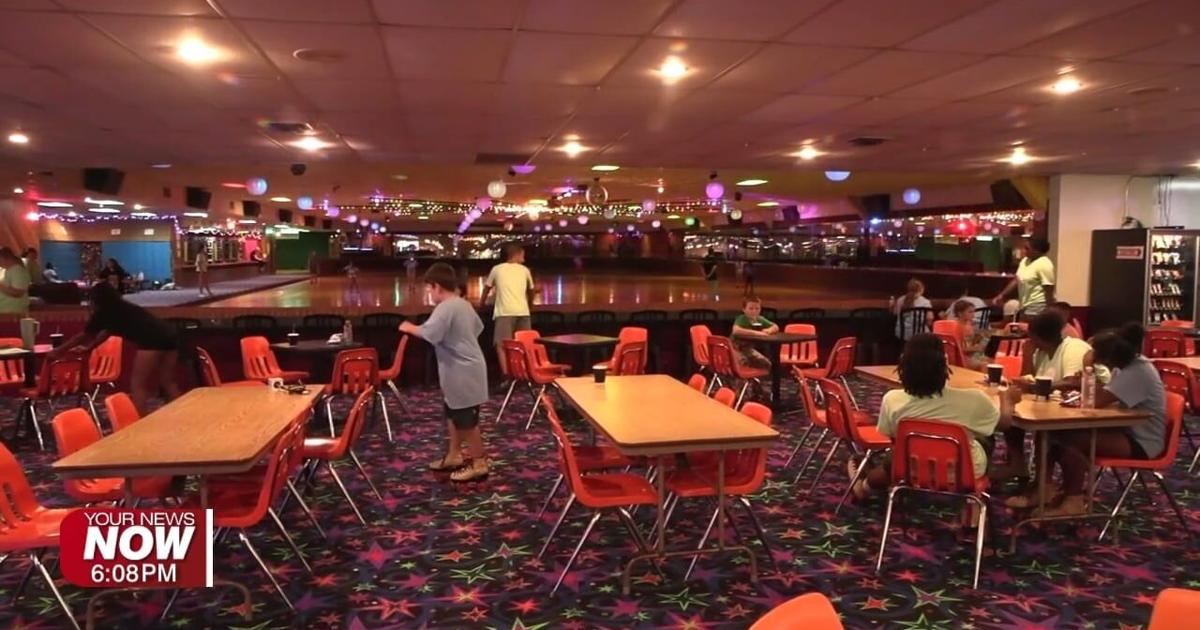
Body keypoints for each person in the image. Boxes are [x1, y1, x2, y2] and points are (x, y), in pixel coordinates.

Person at [1006, 325, 1166, 516]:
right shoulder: (1126, 366)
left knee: (1073, 440)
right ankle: (1043, 488)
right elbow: (1101, 395)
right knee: (1047, 433)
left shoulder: (1139, 372)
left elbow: (1096, 400)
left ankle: (1073, 500)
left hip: (1143, 441)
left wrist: (1087, 368)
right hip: (1123, 429)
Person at [850, 334, 1011, 513]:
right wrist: (1006, 397)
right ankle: (971, 510)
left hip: (910, 470)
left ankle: (864, 486)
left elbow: (892, 438)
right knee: (985, 438)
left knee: (895, 456)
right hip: (963, 474)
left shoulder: (892, 399)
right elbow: (1004, 423)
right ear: (945, 364)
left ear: (903, 365)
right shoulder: (974, 399)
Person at [399, 263, 490, 482]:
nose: (429, 293)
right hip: (465, 368)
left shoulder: (446, 307)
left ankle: (479, 463)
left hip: (462, 371)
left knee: (466, 420)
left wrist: (408, 327)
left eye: (430, 288)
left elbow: (431, 334)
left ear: (438, 287)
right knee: (453, 414)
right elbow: (478, 328)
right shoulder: (462, 304)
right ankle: (454, 455)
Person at [993, 310, 1106, 480]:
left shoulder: (1074, 348)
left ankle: (1043, 485)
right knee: (1012, 417)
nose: (1029, 340)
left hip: (1089, 410)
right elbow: (1026, 378)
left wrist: (1036, 385)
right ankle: (1018, 465)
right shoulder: (1041, 352)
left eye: (1031, 337)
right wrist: (1028, 356)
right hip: (1055, 406)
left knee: (1048, 435)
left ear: (1039, 337)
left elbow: (1074, 382)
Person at [53, 282, 181, 413]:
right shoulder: (122, 307)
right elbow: (107, 332)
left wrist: (59, 350)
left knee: (138, 384)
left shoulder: (103, 313)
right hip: (169, 335)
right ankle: (181, 414)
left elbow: (82, 337)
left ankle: (140, 421)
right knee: (168, 381)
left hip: (150, 341)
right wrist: (90, 348)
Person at [479, 243, 533, 379]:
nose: (524, 257)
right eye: (523, 254)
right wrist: (529, 306)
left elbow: (486, 288)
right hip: (523, 311)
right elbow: (531, 290)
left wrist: (481, 304)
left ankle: (507, 375)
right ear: (516, 254)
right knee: (523, 344)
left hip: (504, 312)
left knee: (502, 345)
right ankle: (524, 373)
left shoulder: (496, 269)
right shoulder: (525, 270)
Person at [992, 237, 1055, 318]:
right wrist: (1002, 295)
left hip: (1038, 306)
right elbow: (1016, 280)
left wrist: (1049, 310)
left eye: (1027, 248)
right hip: (1024, 305)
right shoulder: (1025, 261)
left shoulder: (1044, 264)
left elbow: (1049, 289)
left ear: (1037, 250)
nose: (1024, 251)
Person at [731, 296, 777, 370]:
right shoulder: (742, 318)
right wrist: (757, 333)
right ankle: (739, 381)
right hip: (735, 348)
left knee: (766, 364)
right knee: (743, 363)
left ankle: (755, 380)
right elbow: (736, 331)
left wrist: (769, 330)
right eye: (751, 308)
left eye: (757, 308)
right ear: (744, 309)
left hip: (748, 349)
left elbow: (775, 326)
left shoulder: (760, 319)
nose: (754, 311)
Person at [953, 301, 988, 370]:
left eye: (973, 312)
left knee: (992, 360)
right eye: (970, 312)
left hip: (971, 355)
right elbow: (958, 349)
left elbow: (969, 342)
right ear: (960, 314)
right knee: (985, 365)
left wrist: (978, 339)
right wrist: (976, 348)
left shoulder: (969, 324)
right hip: (962, 358)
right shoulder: (957, 327)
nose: (973, 315)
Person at [0, 247, 31, 314]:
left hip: (13, 313)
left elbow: (18, 292)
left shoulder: (18, 271)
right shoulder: (4, 269)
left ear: (4, 258)